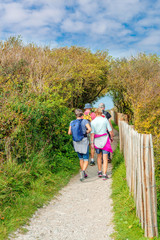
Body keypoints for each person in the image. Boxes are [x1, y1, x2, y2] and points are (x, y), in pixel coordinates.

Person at [68, 109, 91, 181]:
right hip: (83, 141)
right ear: (82, 115)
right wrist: (85, 132)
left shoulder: (72, 122)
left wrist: (76, 134)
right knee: (86, 158)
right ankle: (83, 171)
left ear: (75, 115)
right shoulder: (84, 121)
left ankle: (83, 173)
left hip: (76, 142)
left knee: (81, 158)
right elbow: (90, 129)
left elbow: (69, 133)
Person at [90, 108, 113, 180]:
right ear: (101, 113)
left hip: (97, 140)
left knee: (99, 156)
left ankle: (99, 171)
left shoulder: (93, 122)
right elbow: (110, 130)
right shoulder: (105, 120)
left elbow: (92, 133)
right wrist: (111, 137)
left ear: (96, 113)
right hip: (105, 139)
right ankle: (104, 174)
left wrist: (92, 143)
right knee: (105, 158)